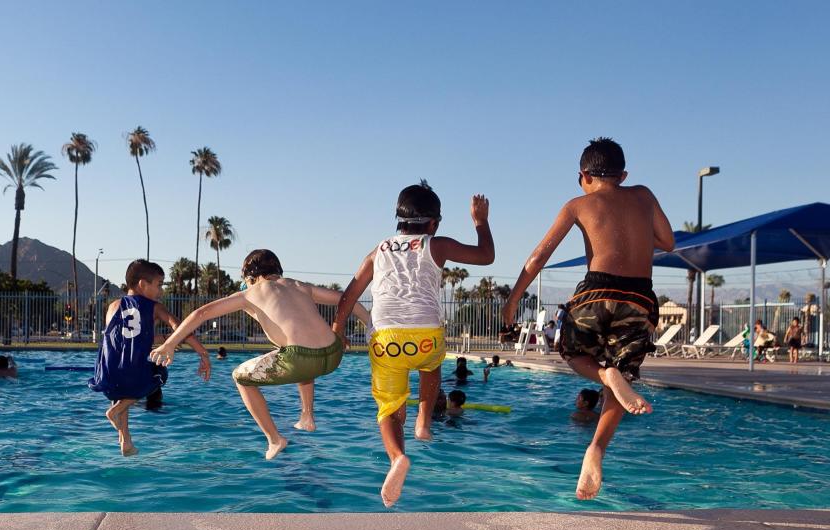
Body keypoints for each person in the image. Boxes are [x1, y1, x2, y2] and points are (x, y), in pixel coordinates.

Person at [501, 137, 674, 501]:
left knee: (571, 351)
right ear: (623, 175)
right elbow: (669, 242)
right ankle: (596, 449)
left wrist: (512, 301)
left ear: (583, 176)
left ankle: (603, 373)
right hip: (640, 297)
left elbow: (537, 258)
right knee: (623, 375)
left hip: (597, 291)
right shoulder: (643, 195)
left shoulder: (578, 205)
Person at [332, 183, 494, 508]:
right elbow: (486, 256)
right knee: (431, 366)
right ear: (434, 223)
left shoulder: (377, 251)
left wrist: (338, 328)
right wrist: (480, 220)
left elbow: (350, 293)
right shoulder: (437, 244)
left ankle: (396, 458)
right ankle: (423, 422)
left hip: (386, 339)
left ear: (397, 220)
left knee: (389, 409)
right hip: (425, 336)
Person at [150, 249, 370, 460]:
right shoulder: (298, 285)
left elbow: (201, 313)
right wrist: (371, 328)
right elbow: (346, 298)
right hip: (333, 354)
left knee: (240, 377)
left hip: (301, 359)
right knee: (297, 354)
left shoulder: (250, 293)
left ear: (249, 276)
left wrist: (169, 344)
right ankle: (307, 416)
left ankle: (274, 439)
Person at [90, 259, 211, 456]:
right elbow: (180, 327)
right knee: (159, 374)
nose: (161, 291)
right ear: (143, 285)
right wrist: (202, 353)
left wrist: (161, 339)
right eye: (159, 285)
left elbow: (123, 337)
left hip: (107, 371)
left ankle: (125, 440)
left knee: (123, 390)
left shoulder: (113, 306)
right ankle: (115, 412)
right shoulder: (154, 306)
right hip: (132, 371)